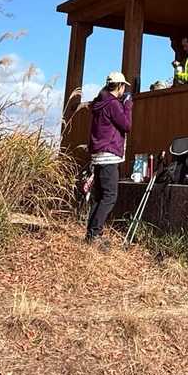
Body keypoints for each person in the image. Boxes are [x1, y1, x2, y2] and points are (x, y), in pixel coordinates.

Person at [86, 71, 132, 246]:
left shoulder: (100, 102)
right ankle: (95, 234)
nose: (124, 90)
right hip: (109, 156)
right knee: (110, 196)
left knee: (100, 197)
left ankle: (92, 234)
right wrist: (127, 105)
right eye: (123, 86)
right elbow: (126, 125)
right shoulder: (113, 104)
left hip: (98, 156)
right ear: (120, 86)